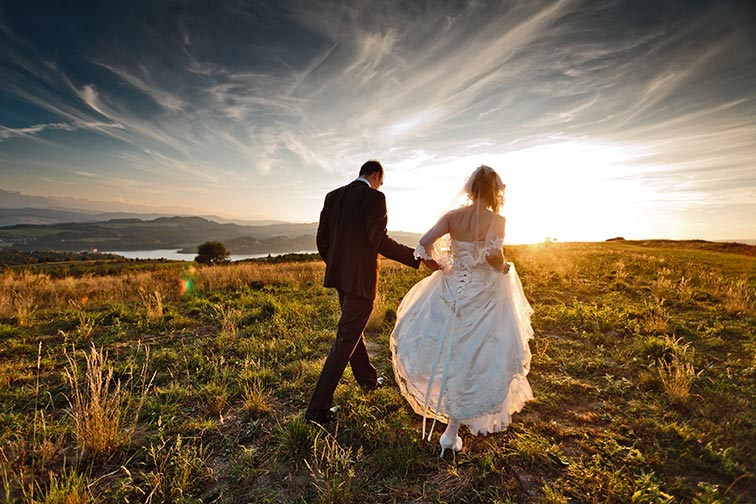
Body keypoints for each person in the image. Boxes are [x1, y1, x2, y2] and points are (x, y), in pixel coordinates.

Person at [390, 165, 534, 456]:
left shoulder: (453, 217)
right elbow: (493, 254)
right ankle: (451, 431)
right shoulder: (498, 219)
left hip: (451, 287)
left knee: (449, 350)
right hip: (483, 290)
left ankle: (450, 430)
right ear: (496, 192)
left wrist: (442, 267)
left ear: (470, 189)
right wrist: (503, 268)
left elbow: (422, 245)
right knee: (476, 353)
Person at [305, 160, 438, 424]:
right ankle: (316, 411)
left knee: (353, 331)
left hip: (341, 278)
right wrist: (416, 256)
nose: (379, 185)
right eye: (380, 181)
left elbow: (322, 239)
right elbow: (380, 241)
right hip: (361, 281)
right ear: (376, 175)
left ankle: (367, 380)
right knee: (345, 339)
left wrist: (337, 266)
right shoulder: (375, 198)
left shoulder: (333, 196)